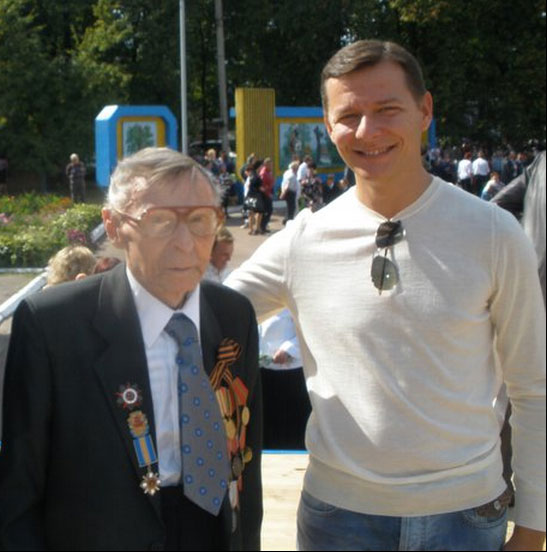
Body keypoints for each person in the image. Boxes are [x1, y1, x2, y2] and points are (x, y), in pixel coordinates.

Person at [226, 40, 545, 551]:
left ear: (425, 111)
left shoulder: (492, 233)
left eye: (387, 110)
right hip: (338, 519)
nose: (367, 131)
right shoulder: (302, 241)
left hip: (465, 516)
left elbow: (533, 387)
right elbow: (202, 315)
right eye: (348, 116)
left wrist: (534, 524)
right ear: (328, 125)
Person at [0, 147, 263, 551]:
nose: (185, 243)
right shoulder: (53, 325)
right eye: (160, 221)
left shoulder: (233, 315)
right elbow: (20, 488)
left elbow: (246, 458)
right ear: (114, 226)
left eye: (199, 220)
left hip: (211, 530)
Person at [258, 309, 311, 450]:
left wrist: (289, 349)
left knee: (294, 432)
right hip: (263, 374)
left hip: (293, 375)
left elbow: (311, 329)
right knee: (267, 431)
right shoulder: (259, 300)